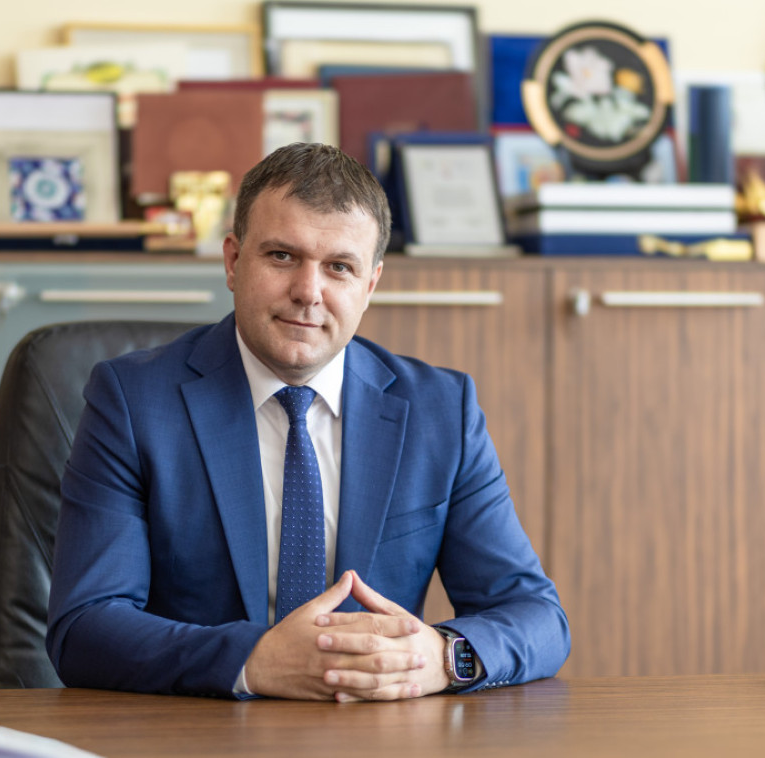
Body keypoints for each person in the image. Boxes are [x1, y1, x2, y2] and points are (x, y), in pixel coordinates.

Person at [46, 143, 570, 701]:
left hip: (377, 729)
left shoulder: (440, 410)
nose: (308, 293)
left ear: (369, 285)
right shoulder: (134, 402)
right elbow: (85, 627)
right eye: (281, 256)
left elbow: (537, 617)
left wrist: (443, 657)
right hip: (202, 725)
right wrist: (254, 661)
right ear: (233, 261)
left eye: (339, 267)